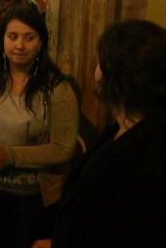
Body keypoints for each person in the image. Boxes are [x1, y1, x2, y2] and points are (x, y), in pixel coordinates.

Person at [33, 20, 166, 248]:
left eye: (101, 62)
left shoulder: (149, 162)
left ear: (119, 78)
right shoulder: (123, 126)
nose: (96, 70)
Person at [0, 5, 79, 248]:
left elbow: (63, 148)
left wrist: (11, 155)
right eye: (12, 37)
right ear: (3, 39)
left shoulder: (57, 88)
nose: (19, 45)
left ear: (40, 43)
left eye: (29, 38)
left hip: (34, 197)